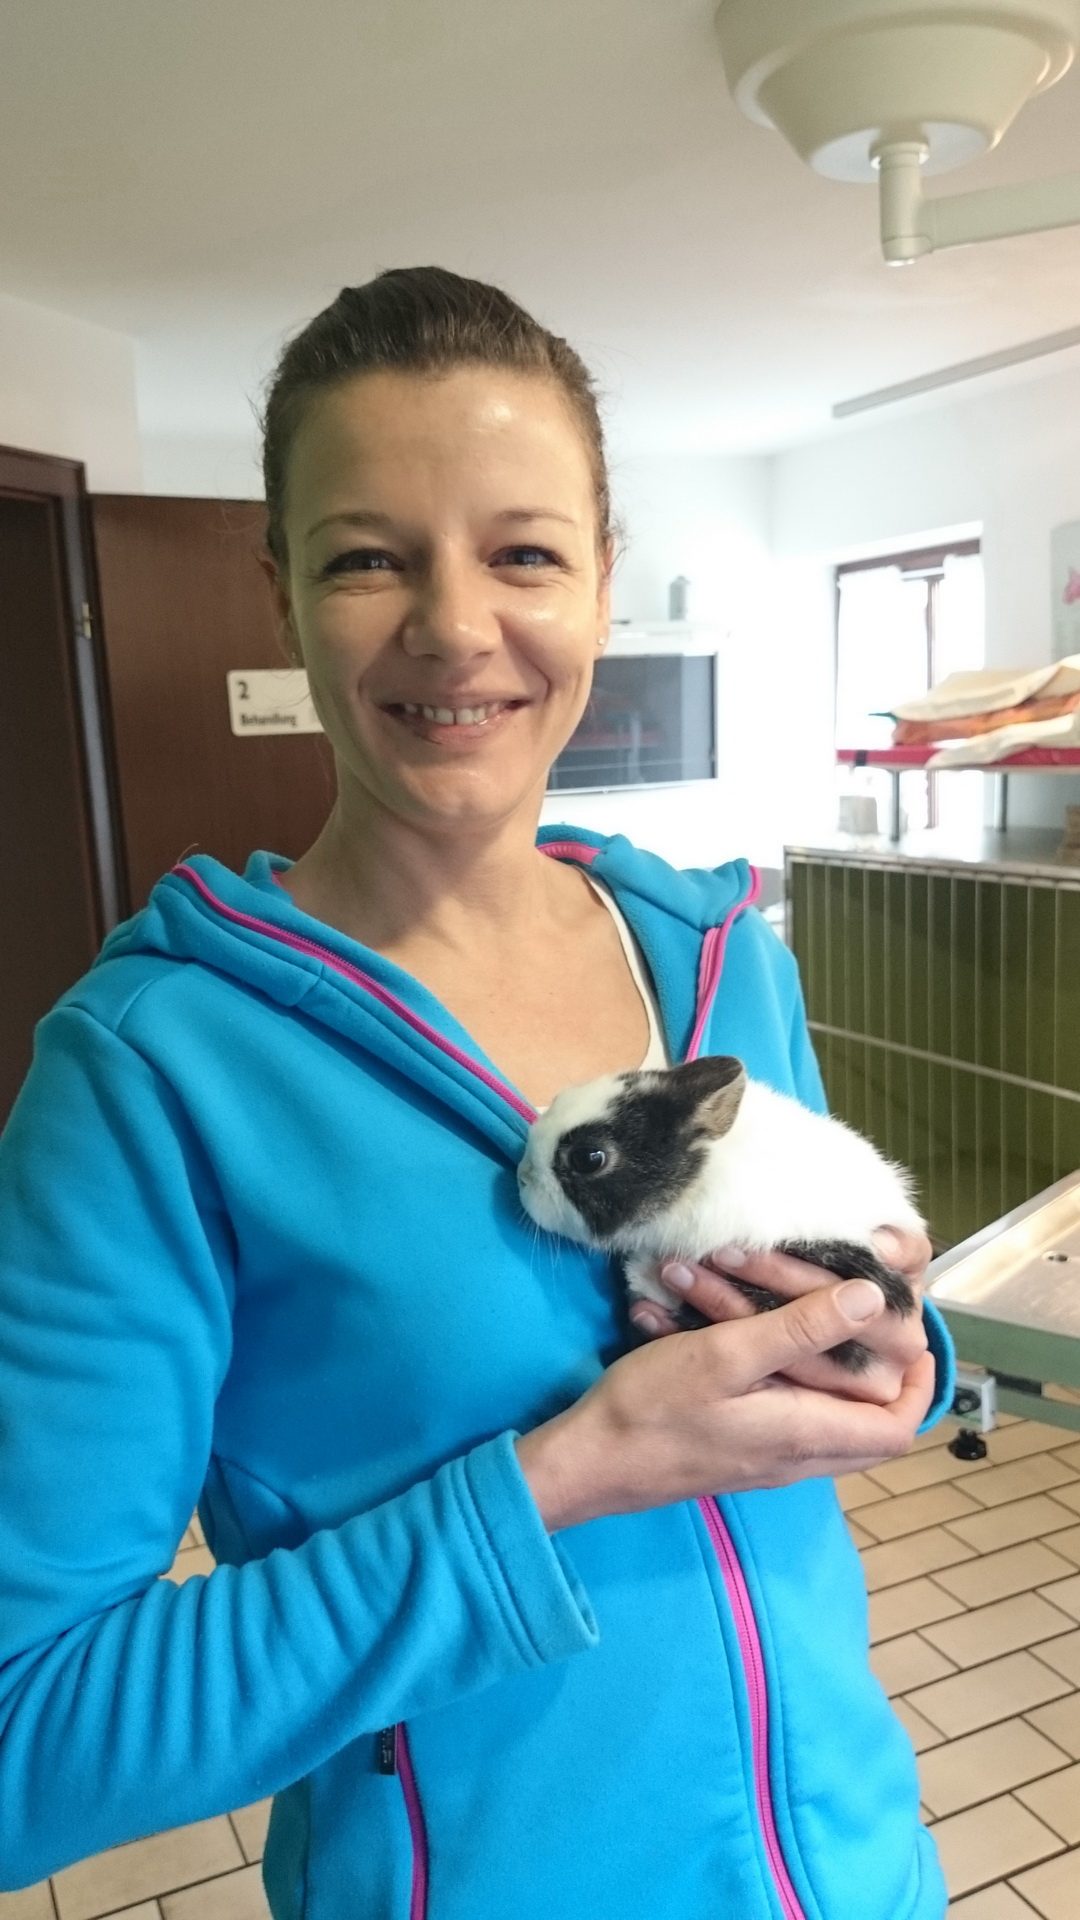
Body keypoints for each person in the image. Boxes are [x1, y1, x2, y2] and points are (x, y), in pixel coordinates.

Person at [0, 266, 952, 1919]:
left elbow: (850, 1372)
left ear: (602, 581)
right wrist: (570, 1473)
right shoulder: (153, 1075)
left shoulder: (725, 961)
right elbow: (29, 1737)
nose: (454, 628)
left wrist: (893, 1360)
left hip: (861, 1873)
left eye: (524, 553)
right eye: (367, 557)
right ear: (280, 594)